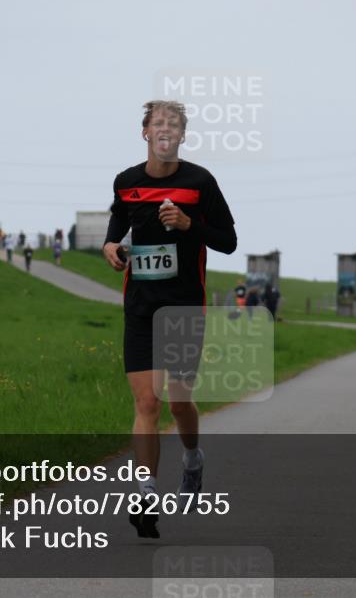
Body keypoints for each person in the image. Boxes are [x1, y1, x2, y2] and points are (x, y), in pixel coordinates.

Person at [102, 100, 237, 539]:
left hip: (183, 307)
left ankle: (193, 458)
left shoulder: (200, 182)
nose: (166, 129)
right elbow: (117, 224)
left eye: (174, 124)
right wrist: (111, 247)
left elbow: (228, 241)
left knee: (178, 402)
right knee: (147, 403)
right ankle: (145, 494)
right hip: (141, 306)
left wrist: (186, 224)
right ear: (145, 132)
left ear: (181, 135)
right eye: (158, 122)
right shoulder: (127, 182)